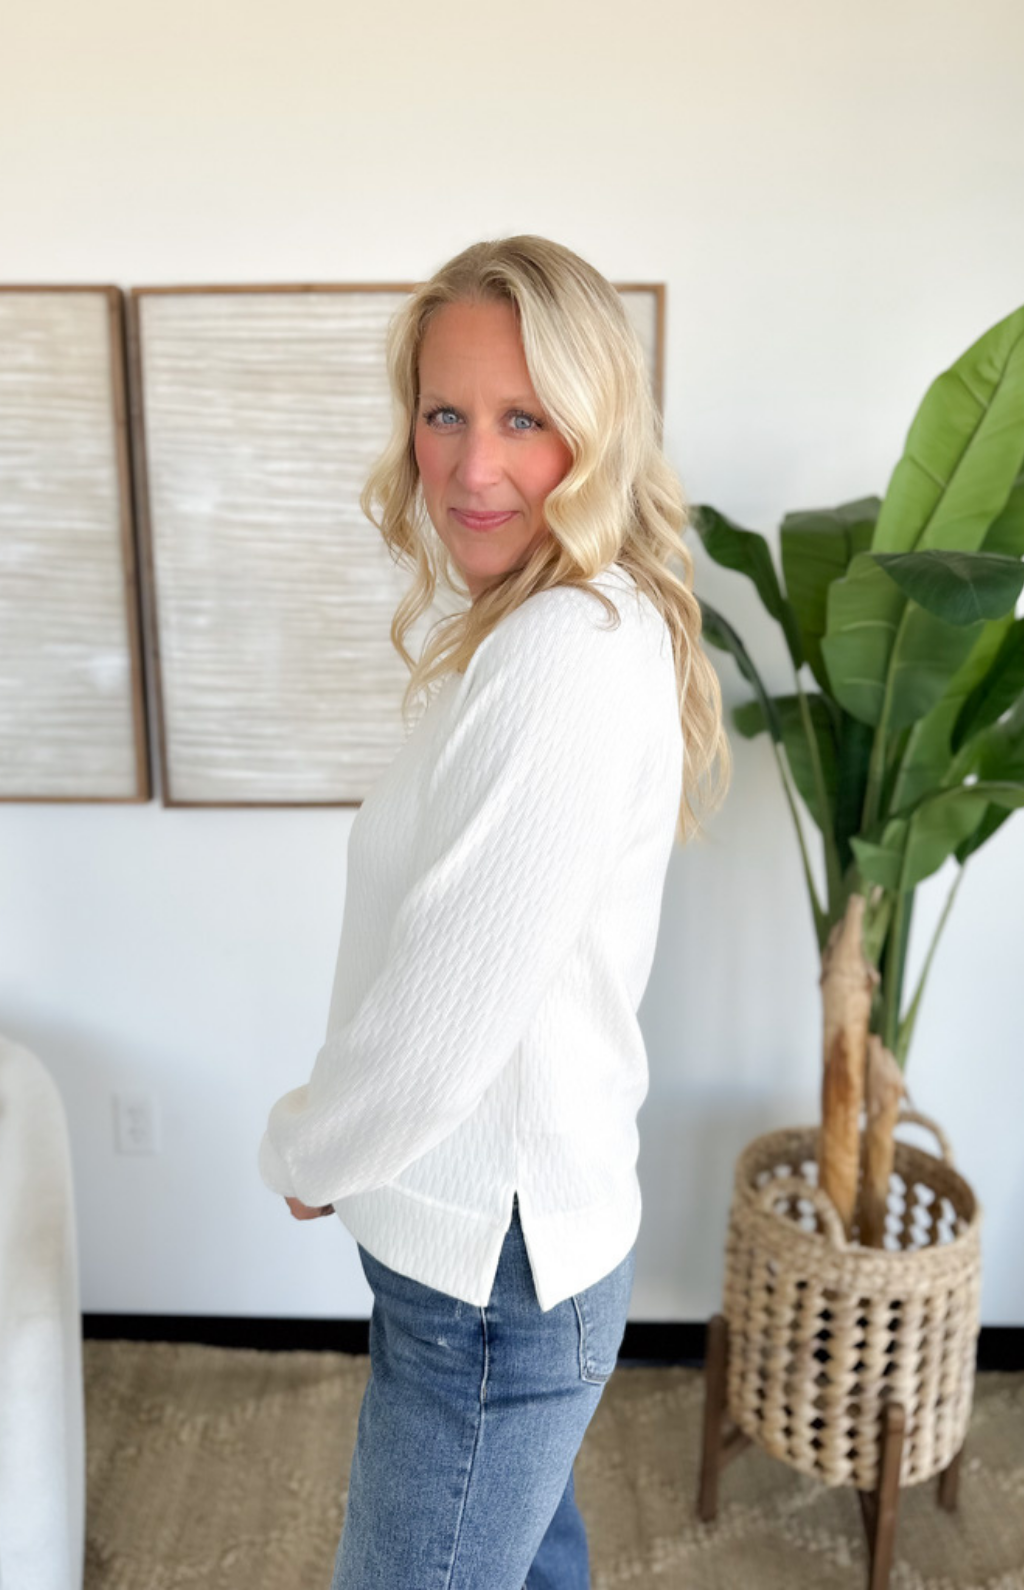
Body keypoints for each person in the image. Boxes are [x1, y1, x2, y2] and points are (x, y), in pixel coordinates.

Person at [258, 234, 731, 1590]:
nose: (472, 468)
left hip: (490, 1276)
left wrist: (308, 1147)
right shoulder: (570, 624)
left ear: (597, 431)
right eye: (445, 414)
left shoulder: (562, 656)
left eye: (524, 419)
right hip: (514, 1249)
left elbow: (440, 1022)